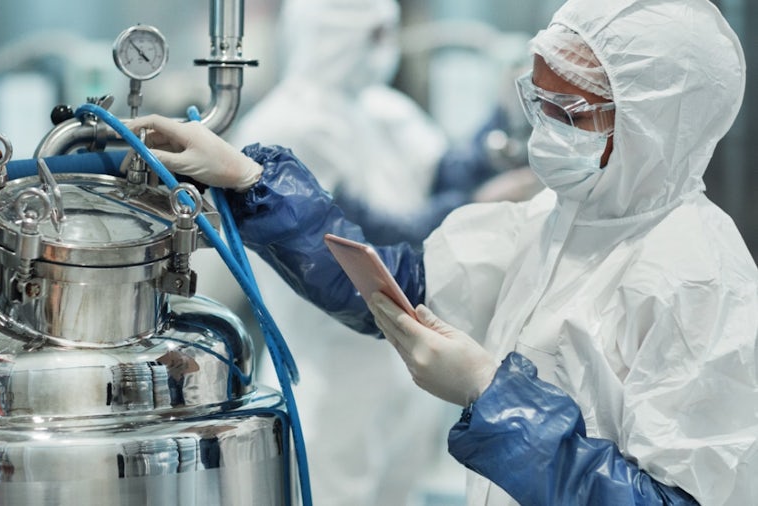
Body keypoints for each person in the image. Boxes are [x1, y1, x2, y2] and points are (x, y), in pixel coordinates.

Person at [124, 0, 758, 504]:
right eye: (534, 102)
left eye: (567, 110)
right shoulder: (558, 221)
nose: (544, 131)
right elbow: (404, 284)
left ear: (653, 125)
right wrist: (252, 182)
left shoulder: (699, 281)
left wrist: (493, 397)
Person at [222, 1, 533, 503]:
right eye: (374, 34)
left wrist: (501, 115)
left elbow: (442, 173)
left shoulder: (381, 108)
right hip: (330, 367)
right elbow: (357, 239)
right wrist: (477, 204)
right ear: (331, 36)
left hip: (401, 360)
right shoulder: (288, 124)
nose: (385, 48)